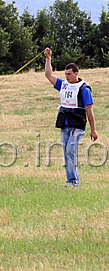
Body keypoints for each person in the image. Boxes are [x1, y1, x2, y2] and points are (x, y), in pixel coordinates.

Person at [44, 47, 98, 186]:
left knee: (70, 152)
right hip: (65, 124)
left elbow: (89, 110)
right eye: (65, 74)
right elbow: (48, 75)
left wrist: (93, 129)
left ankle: (73, 181)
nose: (67, 77)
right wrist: (48, 58)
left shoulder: (84, 89)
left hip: (77, 125)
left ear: (76, 73)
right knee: (66, 153)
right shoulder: (63, 85)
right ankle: (71, 180)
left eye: (69, 74)